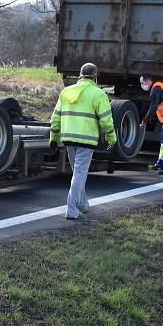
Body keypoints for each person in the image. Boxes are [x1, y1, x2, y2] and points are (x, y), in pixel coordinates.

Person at [49, 63, 117, 220]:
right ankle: (71, 209)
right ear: (95, 77)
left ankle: (83, 204)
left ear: (80, 75)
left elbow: (56, 117)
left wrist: (54, 137)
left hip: (68, 139)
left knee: (78, 174)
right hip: (86, 140)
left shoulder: (65, 92)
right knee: (80, 174)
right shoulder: (98, 94)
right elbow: (106, 121)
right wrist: (111, 138)